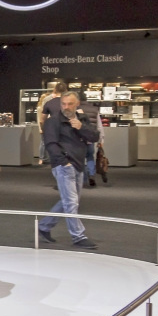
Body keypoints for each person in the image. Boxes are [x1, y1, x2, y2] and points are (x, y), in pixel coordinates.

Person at [39, 92, 100, 249]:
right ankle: (78, 236)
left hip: (79, 165)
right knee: (71, 202)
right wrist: (63, 162)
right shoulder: (53, 122)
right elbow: (50, 144)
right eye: (63, 104)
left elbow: (94, 136)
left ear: (77, 104)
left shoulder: (82, 119)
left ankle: (44, 226)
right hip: (64, 166)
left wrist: (81, 127)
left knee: (69, 201)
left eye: (70, 104)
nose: (66, 107)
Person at [36, 81, 66, 165]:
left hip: (53, 128)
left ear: (55, 89)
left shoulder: (49, 102)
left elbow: (42, 120)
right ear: (66, 90)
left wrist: (43, 129)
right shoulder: (69, 102)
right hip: (66, 129)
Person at [80, 97, 102, 188]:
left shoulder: (76, 109)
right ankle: (91, 174)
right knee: (90, 157)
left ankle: (84, 178)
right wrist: (101, 139)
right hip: (90, 138)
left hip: (80, 138)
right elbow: (99, 126)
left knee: (80, 159)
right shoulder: (94, 109)